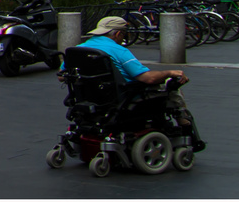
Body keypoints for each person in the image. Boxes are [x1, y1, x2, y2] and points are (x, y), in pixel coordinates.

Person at [77, 16, 202, 148]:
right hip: (121, 97)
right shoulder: (119, 50)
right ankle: (185, 126)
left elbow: (62, 76)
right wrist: (170, 73)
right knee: (172, 86)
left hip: (89, 97)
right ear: (118, 34)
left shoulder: (79, 49)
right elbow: (148, 78)